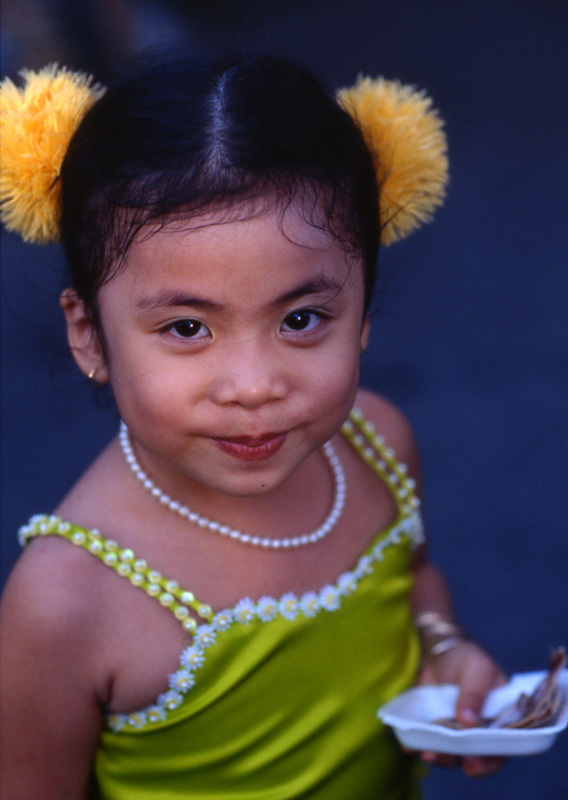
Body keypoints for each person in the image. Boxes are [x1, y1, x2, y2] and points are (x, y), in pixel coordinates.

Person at [0, 56, 505, 799]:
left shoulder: (378, 444)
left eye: (301, 319)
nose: (254, 387)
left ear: (362, 314)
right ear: (89, 335)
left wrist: (444, 647)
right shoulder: (67, 600)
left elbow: (416, 576)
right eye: (185, 327)